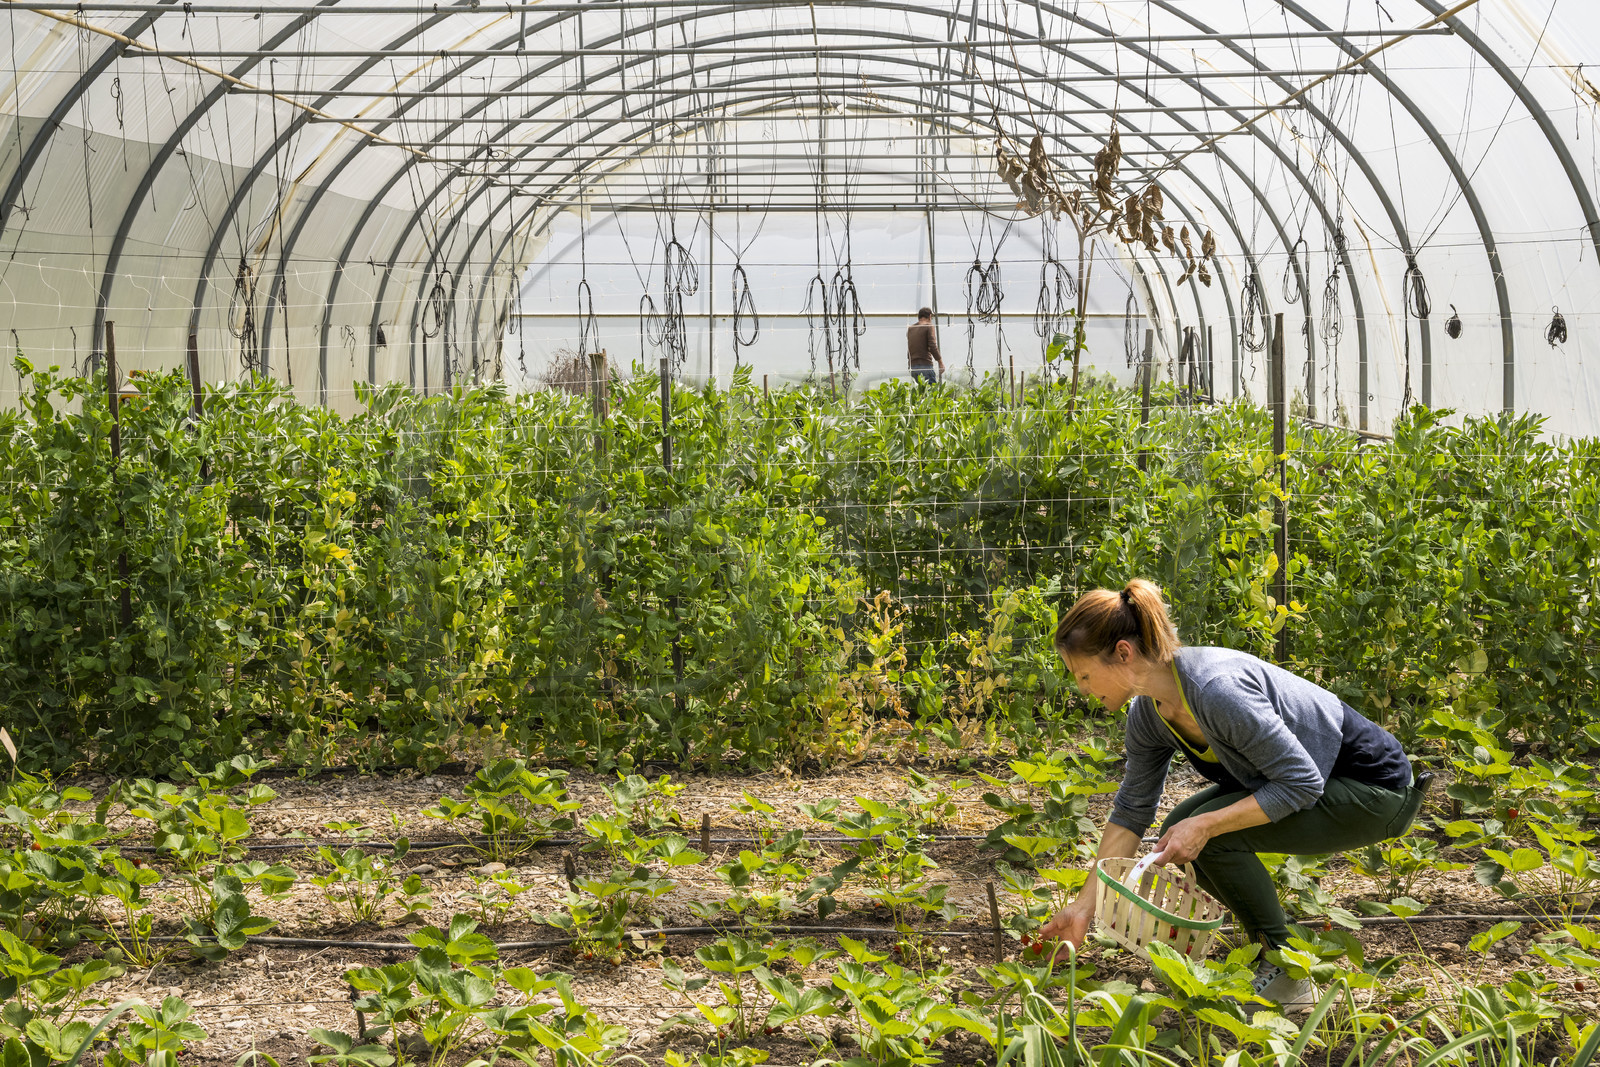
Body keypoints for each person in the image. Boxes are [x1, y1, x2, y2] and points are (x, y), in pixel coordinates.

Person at [1039, 579, 1429, 1008]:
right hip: (1315, 786)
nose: (1082, 688)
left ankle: (1288, 971)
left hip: (1376, 790)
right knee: (1178, 833)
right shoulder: (1149, 715)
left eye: (1084, 674)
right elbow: (1131, 810)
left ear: (1124, 654)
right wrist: (1083, 906)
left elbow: (1301, 782)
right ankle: (1278, 952)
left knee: (1208, 836)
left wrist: (1206, 825)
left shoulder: (1213, 690)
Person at [906, 307, 944, 385]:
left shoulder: (911, 328)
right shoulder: (929, 326)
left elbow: (909, 349)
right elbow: (933, 346)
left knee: (920, 395)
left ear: (919, 317)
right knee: (931, 393)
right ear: (930, 316)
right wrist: (940, 362)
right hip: (925, 366)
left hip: (913, 367)